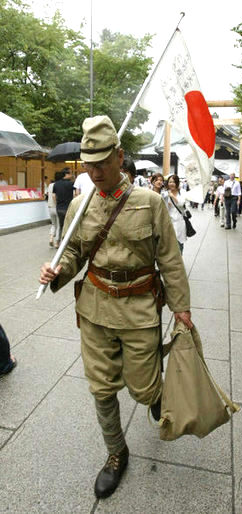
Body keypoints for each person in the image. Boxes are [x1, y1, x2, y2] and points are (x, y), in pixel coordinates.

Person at [39, 115, 192, 499]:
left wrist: (182, 309)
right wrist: (57, 270)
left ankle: (155, 395)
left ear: (119, 156)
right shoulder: (78, 205)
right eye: (87, 164)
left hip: (140, 309)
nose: (94, 172)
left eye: (102, 163)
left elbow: (170, 260)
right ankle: (115, 453)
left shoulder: (150, 203)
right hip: (94, 307)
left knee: (142, 388)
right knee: (101, 387)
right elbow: (72, 251)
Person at [165, 174, 188, 254]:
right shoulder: (165, 194)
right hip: (169, 222)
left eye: (174, 182)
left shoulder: (182, 192)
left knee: (180, 243)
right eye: (170, 182)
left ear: (177, 183)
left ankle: (179, 261)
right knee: (170, 244)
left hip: (180, 221)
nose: (172, 184)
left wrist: (173, 197)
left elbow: (181, 203)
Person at [53, 167, 74, 241]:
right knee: (69, 226)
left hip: (59, 208)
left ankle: (57, 242)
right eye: (71, 173)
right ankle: (67, 242)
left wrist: (57, 205)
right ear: (66, 174)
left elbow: (54, 196)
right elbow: (75, 194)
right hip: (68, 208)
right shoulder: (71, 184)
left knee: (61, 225)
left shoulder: (56, 184)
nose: (72, 175)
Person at [47, 172, 62, 248]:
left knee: (53, 224)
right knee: (59, 225)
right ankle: (57, 242)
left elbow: (48, 194)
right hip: (56, 207)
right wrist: (57, 204)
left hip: (50, 207)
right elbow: (54, 196)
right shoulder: (58, 185)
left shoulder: (50, 185)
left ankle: (51, 238)